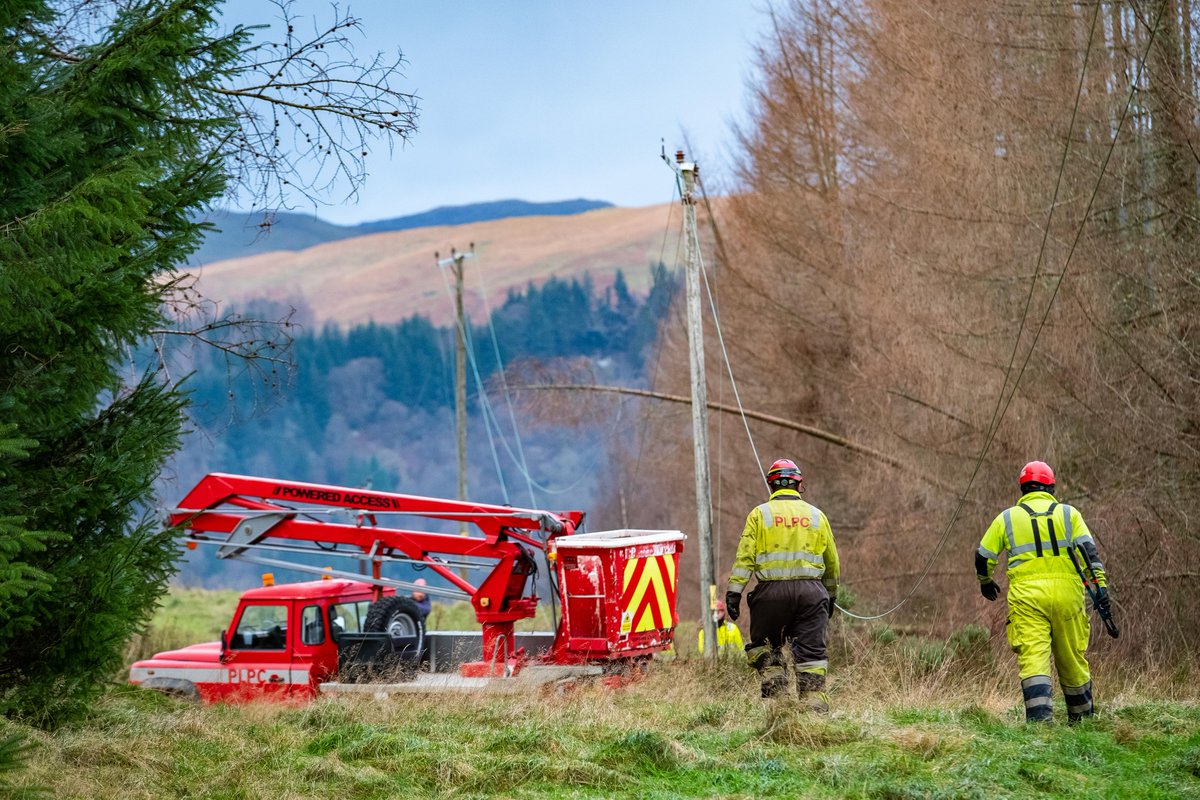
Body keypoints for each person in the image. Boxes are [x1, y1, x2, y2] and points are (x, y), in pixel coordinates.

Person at [976, 460, 1111, 723]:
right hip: (1068, 596)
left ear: (1023, 488)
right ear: (1051, 487)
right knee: (1072, 658)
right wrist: (1101, 588)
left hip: (1028, 600)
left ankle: (1040, 725)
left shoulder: (1008, 518)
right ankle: (1083, 722)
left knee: (1034, 660)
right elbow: (1090, 554)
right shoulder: (1069, 514)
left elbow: (983, 556)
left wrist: (985, 581)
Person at [725, 458, 840, 703]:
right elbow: (832, 562)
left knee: (765, 648)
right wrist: (831, 595)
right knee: (811, 657)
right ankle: (814, 715)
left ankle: (777, 706)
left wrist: (734, 592)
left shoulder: (759, 515)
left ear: (771, 486)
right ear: (799, 485)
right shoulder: (817, 516)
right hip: (811, 595)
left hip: (770, 596)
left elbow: (745, 557)